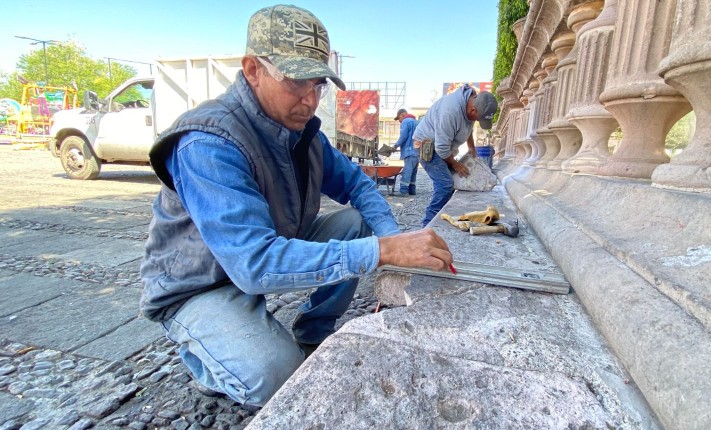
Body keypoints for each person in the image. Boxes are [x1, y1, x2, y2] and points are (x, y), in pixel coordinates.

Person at [139, 4, 453, 407]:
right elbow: (255, 264)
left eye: (318, 82)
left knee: (356, 223)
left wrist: (392, 237)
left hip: (261, 251)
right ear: (252, 69)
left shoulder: (301, 132)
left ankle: (311, 332)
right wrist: (384, 250)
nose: (309, 99)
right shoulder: (208, 143)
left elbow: (357, 183)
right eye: (296, 82)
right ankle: (204, 357)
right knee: (278, 378)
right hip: (200, 284)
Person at [412, 85, 498, 226]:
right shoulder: (450, 112)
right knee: (445, 184)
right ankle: (428, 226)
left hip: (442, 147)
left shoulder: (471, 102)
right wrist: (455, 164)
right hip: (427, 147)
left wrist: (471, 146)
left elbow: (469, 125)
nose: (477, 121)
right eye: (478, 118)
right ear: (472, 109)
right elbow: (441, 149)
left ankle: (442, 219)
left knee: (452, 181)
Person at [392, 108, 419, 196]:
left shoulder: (406, 121)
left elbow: (403, 137)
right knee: (413, 171)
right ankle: (412, 190)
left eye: (399, 118)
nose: (399, 121)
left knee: (407, 170)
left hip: (409, 151)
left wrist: (395, 146)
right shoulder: (416, 122)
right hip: (417, 151)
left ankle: (404, 191)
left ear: (402, 115)